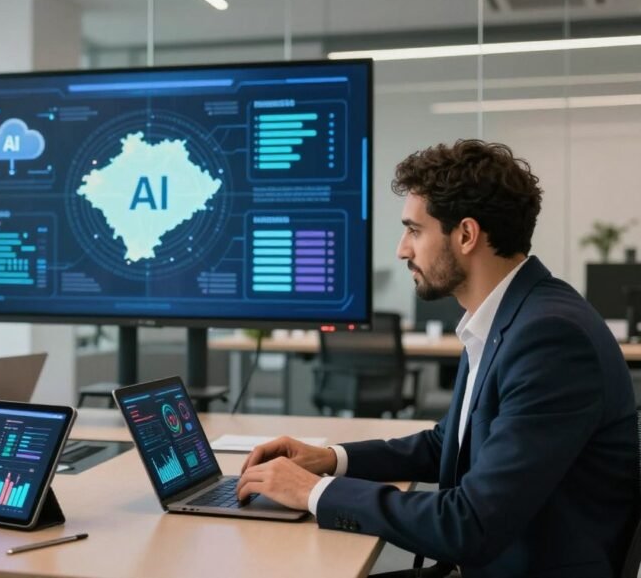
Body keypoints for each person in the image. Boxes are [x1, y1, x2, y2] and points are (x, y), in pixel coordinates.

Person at [237, 140, 639, 577]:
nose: (402, 249)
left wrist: (316, 492)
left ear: (466, 235)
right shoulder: (505, 315)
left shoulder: (550, 337)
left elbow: (470, 523)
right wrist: (331, 458)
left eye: (414, 230)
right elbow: (449, 443)